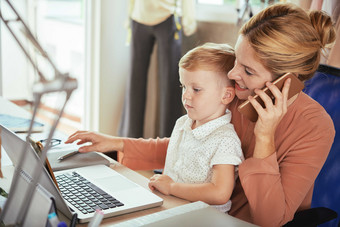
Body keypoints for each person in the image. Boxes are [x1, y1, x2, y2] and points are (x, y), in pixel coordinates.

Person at [65, 3, 336, 227]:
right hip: (194, 212)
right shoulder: (235, 93)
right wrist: (117, 144)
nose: (232, 75)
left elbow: (270, 219)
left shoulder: (315, 127)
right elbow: (191, 149)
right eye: (237, 61)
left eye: (248, 71)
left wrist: (264, 137)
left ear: (287, 80)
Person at [148, 43, 244, 213]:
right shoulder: (182, 123)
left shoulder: (225, 139)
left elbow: (220, 193)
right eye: (183, 86)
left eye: (196, 89)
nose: (186, 95)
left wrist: (171, 187)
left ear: (226, 95)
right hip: (170, 207)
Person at [119, 0, 197, 138]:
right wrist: (129, 15)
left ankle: (170, 142)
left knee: (170, 83)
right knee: (135, 82)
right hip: (138, 16)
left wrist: (188, 18)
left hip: (168, 16)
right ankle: (129, 141)